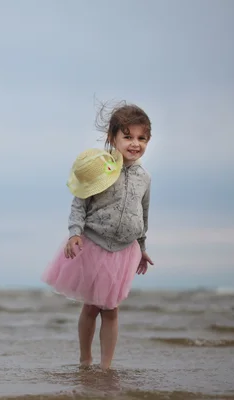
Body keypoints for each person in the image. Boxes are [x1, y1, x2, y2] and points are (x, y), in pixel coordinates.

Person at [41, 102, 154, 371]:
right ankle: (85, 360)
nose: (134, 143)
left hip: (125, 251)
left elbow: (143, 214)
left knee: (112, 309)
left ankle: (106, 367)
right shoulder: (101, 167)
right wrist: (74, 234)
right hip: (94, 244)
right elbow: (79, 202)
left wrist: (142, 246)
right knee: (92, 307)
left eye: (141, 138)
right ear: (112, 138)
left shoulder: (144, 177)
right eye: (127, 136)